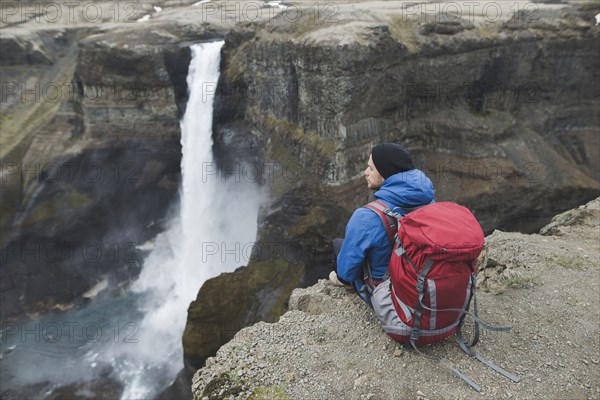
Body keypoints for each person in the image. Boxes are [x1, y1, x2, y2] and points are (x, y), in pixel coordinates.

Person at [329, 143, 435, 307]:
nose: (365, 172)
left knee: (338, 245)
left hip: (392, 297)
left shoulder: (366, 217)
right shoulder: (429, 200)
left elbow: (346, 273)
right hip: (425, 284)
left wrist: (339, 278)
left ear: (386, 174)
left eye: (370, 168)